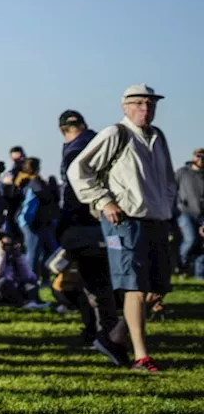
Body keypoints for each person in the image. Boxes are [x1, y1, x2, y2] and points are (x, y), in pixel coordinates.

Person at [67, 84, 176, 373]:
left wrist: (167, 208)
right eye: (139, 103)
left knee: (157, 288)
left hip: (156, 219)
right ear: (125, 107)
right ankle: (141, 356)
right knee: (135, 287)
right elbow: (79, 169)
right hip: (125, 219)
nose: (145, 108)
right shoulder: (116, 133)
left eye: (150, 104)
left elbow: (167, 179)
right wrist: (103, 201)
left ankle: (113, 338)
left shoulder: (157, 136)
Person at [57, 110, 129, 367]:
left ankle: (104, 332)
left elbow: (76, 193)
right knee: (99, 283)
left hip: (86, 225)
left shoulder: (75, 150)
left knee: (94, 284)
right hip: (103, 224)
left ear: (62, 129)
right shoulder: (98, 142)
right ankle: (101, 329)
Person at [174, 148, 204, 278]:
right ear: (193, 157)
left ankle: (199, 275)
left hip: (202, 215)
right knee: (190, 240)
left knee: (201, 245)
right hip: (185, 213)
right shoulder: (182, 172)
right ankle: (181, 266)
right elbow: (171, 191)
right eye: (198, 156)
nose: (201, 159)